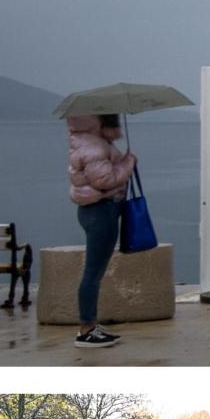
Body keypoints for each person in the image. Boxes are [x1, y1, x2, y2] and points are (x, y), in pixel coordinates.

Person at [65, 113, 137, 349]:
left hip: (92, 210)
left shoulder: (88, 142)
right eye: (114, 121)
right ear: (102, 123)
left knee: (94, 272)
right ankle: (86, 329)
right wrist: (128, 163)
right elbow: (104, 180)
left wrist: (120, 159)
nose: (118, 128)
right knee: (93, 273)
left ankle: (91, 326)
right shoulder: (95, 147)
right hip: (101, 211)